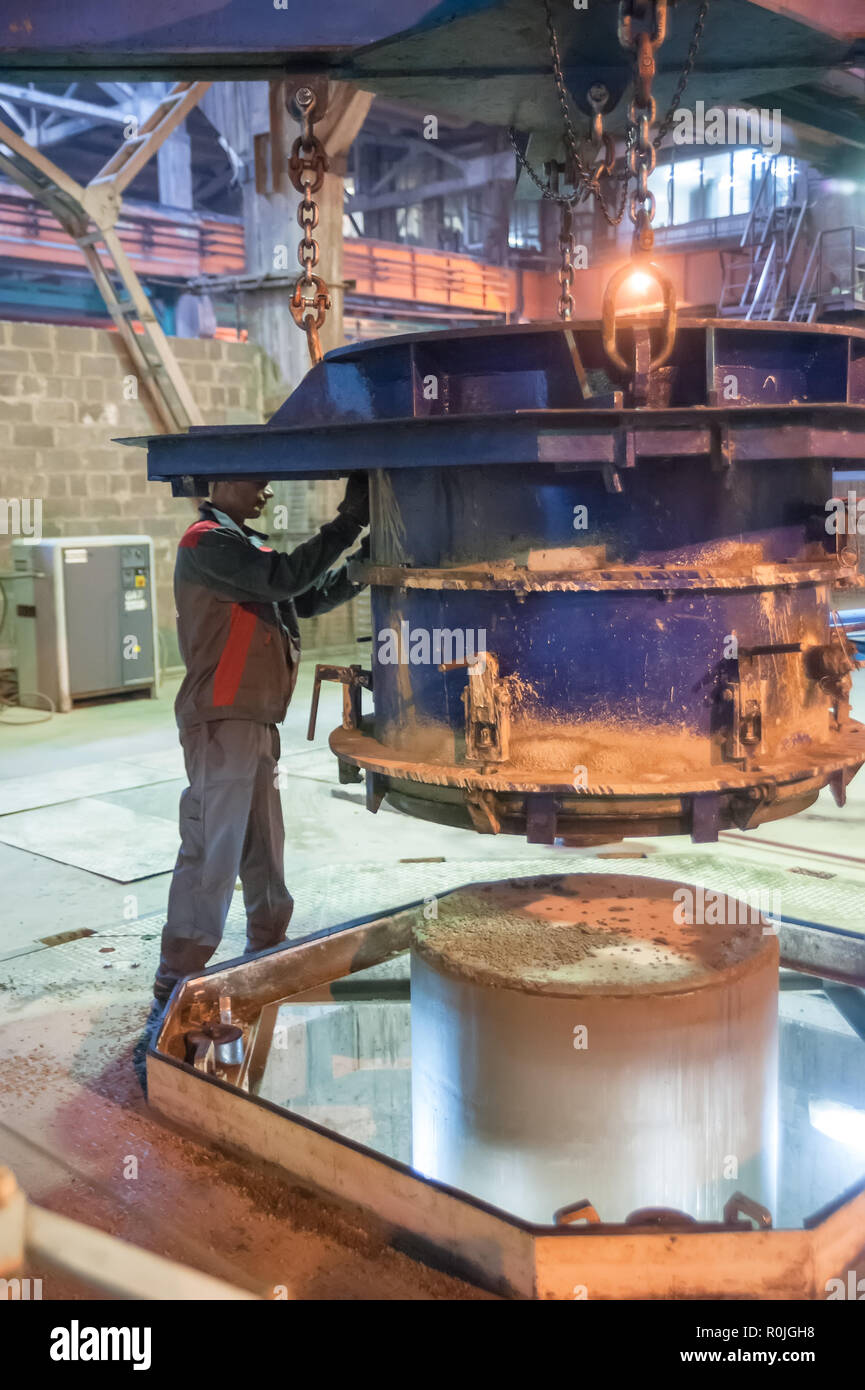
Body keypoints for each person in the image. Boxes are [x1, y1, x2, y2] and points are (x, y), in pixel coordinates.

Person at [152, 473, 369, 1003]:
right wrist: (346, 525)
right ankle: (176, 974)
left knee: (264, 843)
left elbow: (306, 595)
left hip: (255, 719)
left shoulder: (246, 545)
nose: (266, 493)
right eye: (257, 481)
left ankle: (268, 944)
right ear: (222, 482)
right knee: (213, 848)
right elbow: (281, 578)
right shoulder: (206, 541)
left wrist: (362, 564)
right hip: (223, 719)